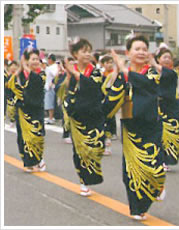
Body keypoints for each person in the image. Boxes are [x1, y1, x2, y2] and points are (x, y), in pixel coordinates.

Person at [103, 35, 166, 220]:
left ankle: (156, 187)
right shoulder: (123, 75)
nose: (141, 52)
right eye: (137, 49)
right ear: (128, 53)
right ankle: (137, 208)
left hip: (151, 125)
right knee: (131, 171)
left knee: (153, 167)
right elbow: (111, 99)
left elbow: (148, 86)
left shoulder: (151, 72)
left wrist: (124, 70)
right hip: (131, 126)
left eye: (144, 49)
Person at [63, 38, 105, 196]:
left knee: (96, 147)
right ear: (75, 54)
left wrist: (74, 73)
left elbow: (94, 87)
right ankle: (83, 180)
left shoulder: (95, 71)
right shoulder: (71, 70)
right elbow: (67, 89)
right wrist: (68, 77)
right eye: (84, 51)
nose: (88, 54)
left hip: (94, 113)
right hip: (78, 115)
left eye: (89, 51)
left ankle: (92, 174)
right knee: (79, 149)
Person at [7, 48, 46, 172]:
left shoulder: (41, 74)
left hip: (36, 108)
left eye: (37, 59)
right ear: (27, 61)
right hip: (23, 109)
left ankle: (39, 159)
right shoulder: (20, 74)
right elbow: (10, 84)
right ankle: (28, 162)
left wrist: (26, 68)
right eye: (32, 59)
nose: (35, 62)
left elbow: (38, 81)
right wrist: (20, 68)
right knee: (23, 137)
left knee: (36, 136)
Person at [153, 47, 179, 171]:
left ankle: (166, 160)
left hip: (169, 107)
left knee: (169, 133)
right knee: (156, 133)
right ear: (159, 59)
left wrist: (152, 61)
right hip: (156, 106)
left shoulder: (172, 73)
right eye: (164, 57)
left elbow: (162, 70)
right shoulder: (152, 73)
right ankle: (157, 159)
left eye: (169, 57)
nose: (167, 59)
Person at [100, 55, 117, 155]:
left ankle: (108, 145)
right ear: (103, 64)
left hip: (110, 100)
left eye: (111, 62)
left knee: (109, 122)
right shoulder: (101, 74)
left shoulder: (114, 75)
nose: (110, 65)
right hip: (101, 101)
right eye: (107, 62)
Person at [44, 53, 58, 124]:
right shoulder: (50, 67)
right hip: (47, 86)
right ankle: (50, 117)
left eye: (48, 59)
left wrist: (52, 82)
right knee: (48, 102)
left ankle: (51, 117)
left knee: (50, 102)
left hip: (51, 87)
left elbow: (55, 75)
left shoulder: (54, 67)